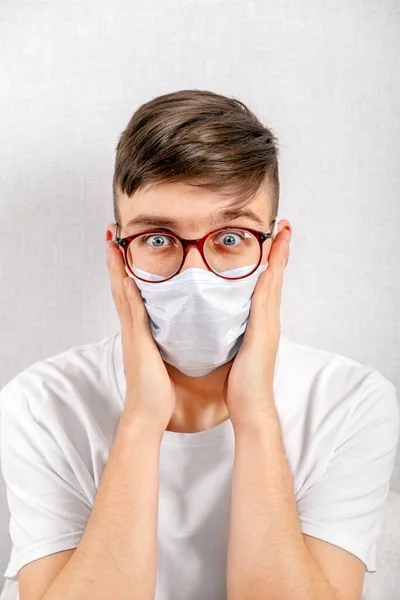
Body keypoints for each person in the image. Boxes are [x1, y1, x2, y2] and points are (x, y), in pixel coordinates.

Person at [0, 89, 399, 600]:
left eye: (231, 237)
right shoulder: (40, 404)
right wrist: (143, 416)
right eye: (158, 238)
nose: (194, 275)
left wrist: (254, 410)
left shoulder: (352, 404)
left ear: (275, 251)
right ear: (119, 253)